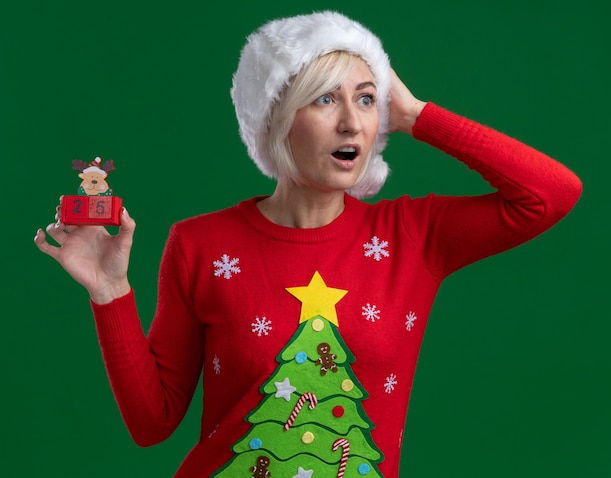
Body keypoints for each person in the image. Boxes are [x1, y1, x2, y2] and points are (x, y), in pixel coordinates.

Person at [34, 10, 582, 478]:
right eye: (324, 100)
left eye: (367, 101)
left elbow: (552, 194)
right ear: (276, 118)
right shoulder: (200, 242)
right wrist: (110, 292)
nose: (352, 123)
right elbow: (152, 425)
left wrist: (416, 116)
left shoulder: (412, 235)